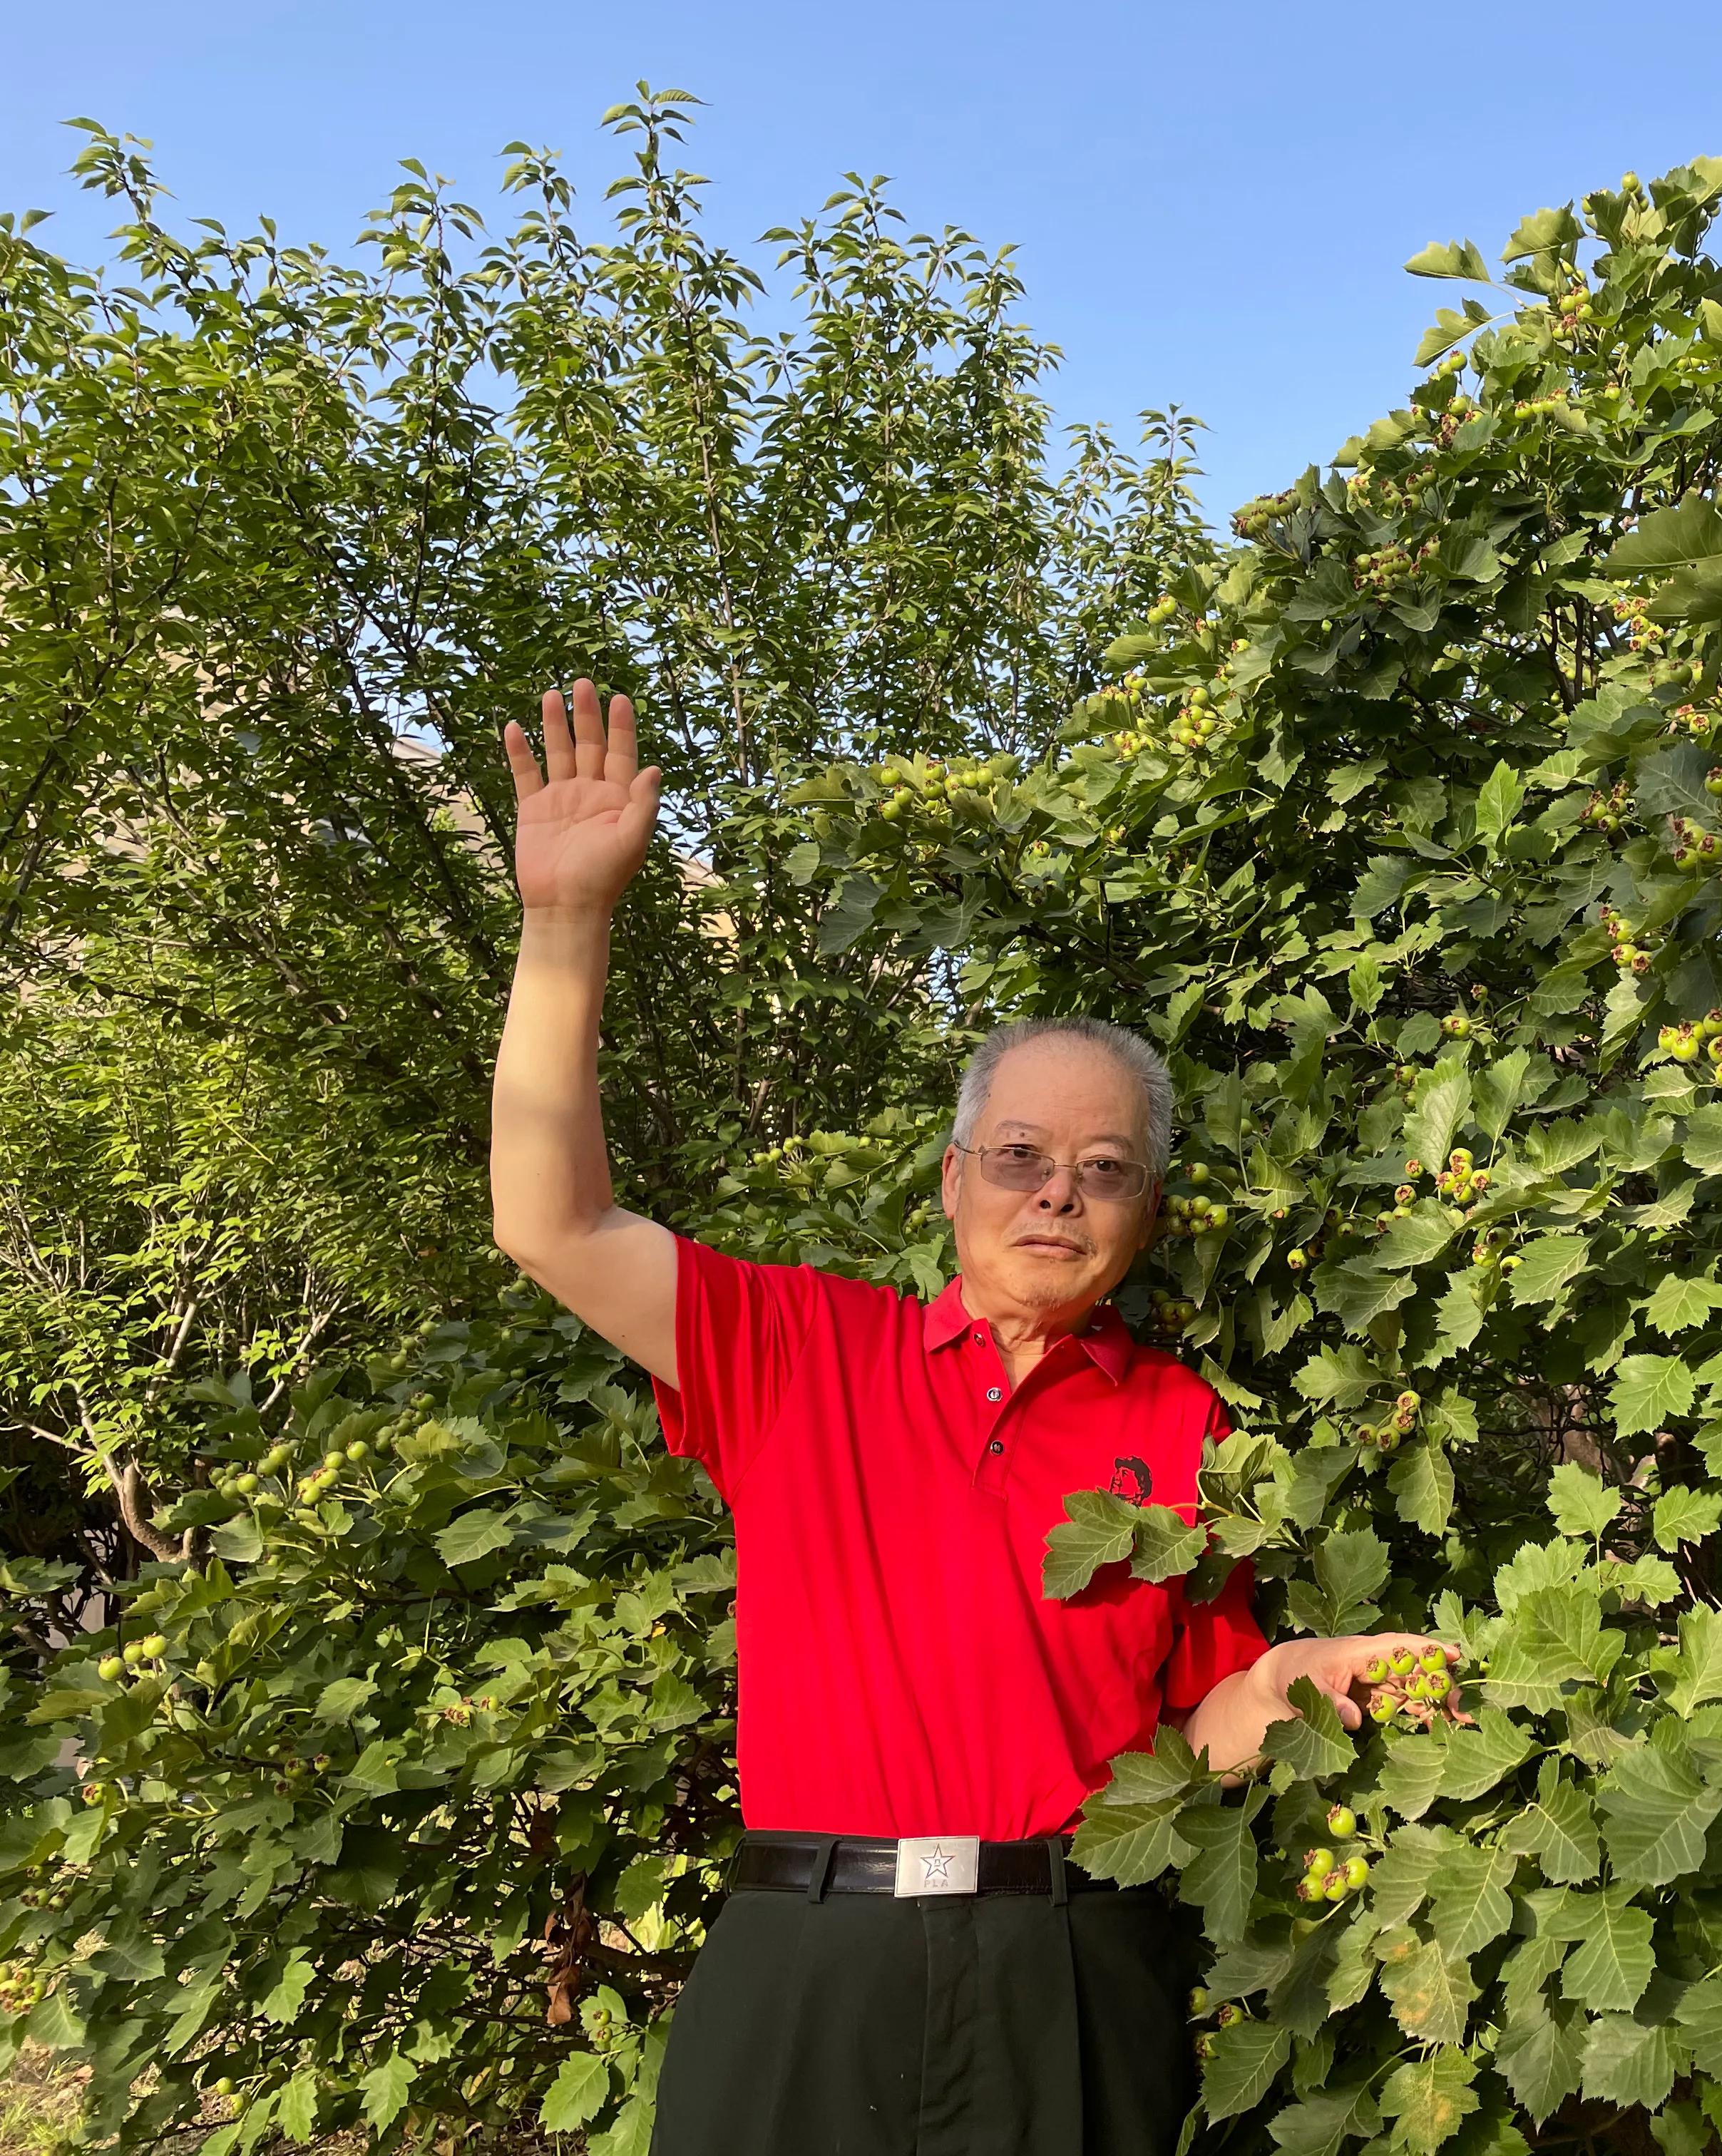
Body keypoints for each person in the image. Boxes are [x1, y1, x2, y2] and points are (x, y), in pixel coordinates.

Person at [489, 680, 1452, 2156]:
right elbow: (551, 1222)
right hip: (808, 1958)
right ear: (953, 1181)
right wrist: (566, 923)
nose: (1057, 1191)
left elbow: (1191, 1735)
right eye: (1018, 1155)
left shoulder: (1185, 1425)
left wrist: (1293, 1682)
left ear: (1144, 1216)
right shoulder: (800, 1348)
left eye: (1104, 1167)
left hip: (1071, 1965)